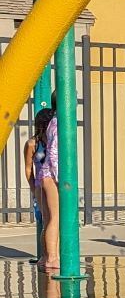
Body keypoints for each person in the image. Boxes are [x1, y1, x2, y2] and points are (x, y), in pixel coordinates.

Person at [23, 106, 60, 277]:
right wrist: (33, 189)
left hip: (45, 180)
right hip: (41, 181)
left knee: (47, 220)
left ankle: (46, 256)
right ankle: (49, 256)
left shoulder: (50, 139)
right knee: (49, 219)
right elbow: (28, 168)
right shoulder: (32, 143)